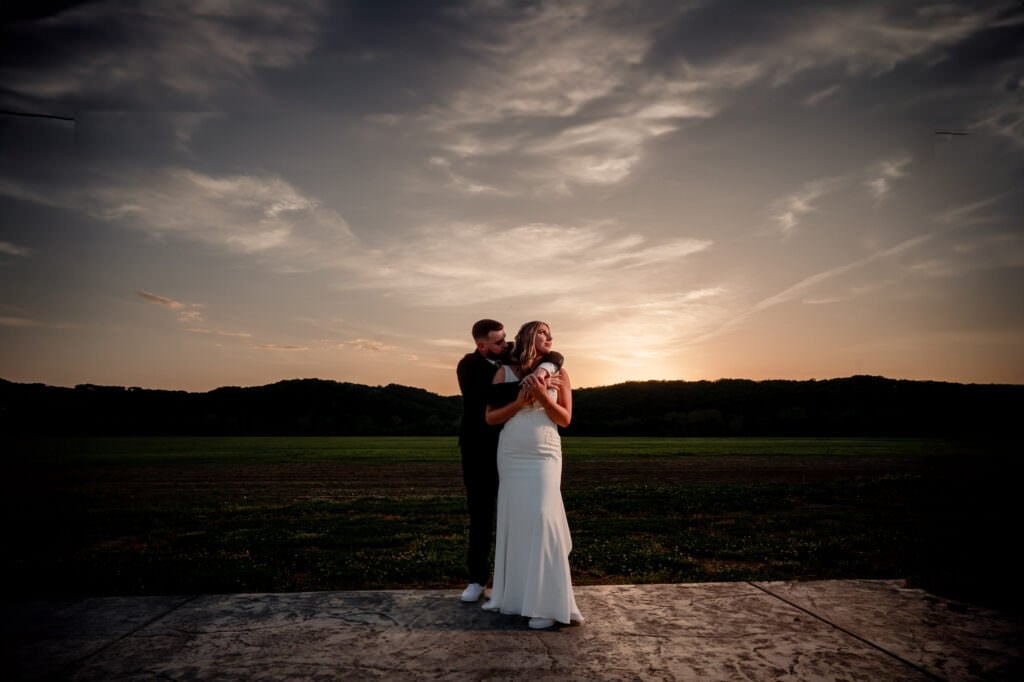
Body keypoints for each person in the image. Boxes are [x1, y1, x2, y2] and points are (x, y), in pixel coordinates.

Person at [481, 321, 583, 629]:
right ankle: (515, 598)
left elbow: (564, 419)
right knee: (518, 521)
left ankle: (547, 604)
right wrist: (520, 402)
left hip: (545, 453)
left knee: (542, 516)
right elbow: (491, 418)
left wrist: (543, 396)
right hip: (512, 453)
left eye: (550, 334)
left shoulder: (559, 373)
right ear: (527, 336)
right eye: (542, 332)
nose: (549, 337)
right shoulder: (504, 373)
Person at [456, 319, 562, 603]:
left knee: (523, 511)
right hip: (479, 449)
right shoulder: (468, 366)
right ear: (482, 346)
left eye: (505, 339)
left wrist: (542, 370)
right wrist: (530, 386)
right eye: (498, 342)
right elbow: (482, 396)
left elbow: (555, 355)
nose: (506, 345)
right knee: (481, 513)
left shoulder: (511, 353)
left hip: (517, 445)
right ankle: (477, 580)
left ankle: (521, 581)